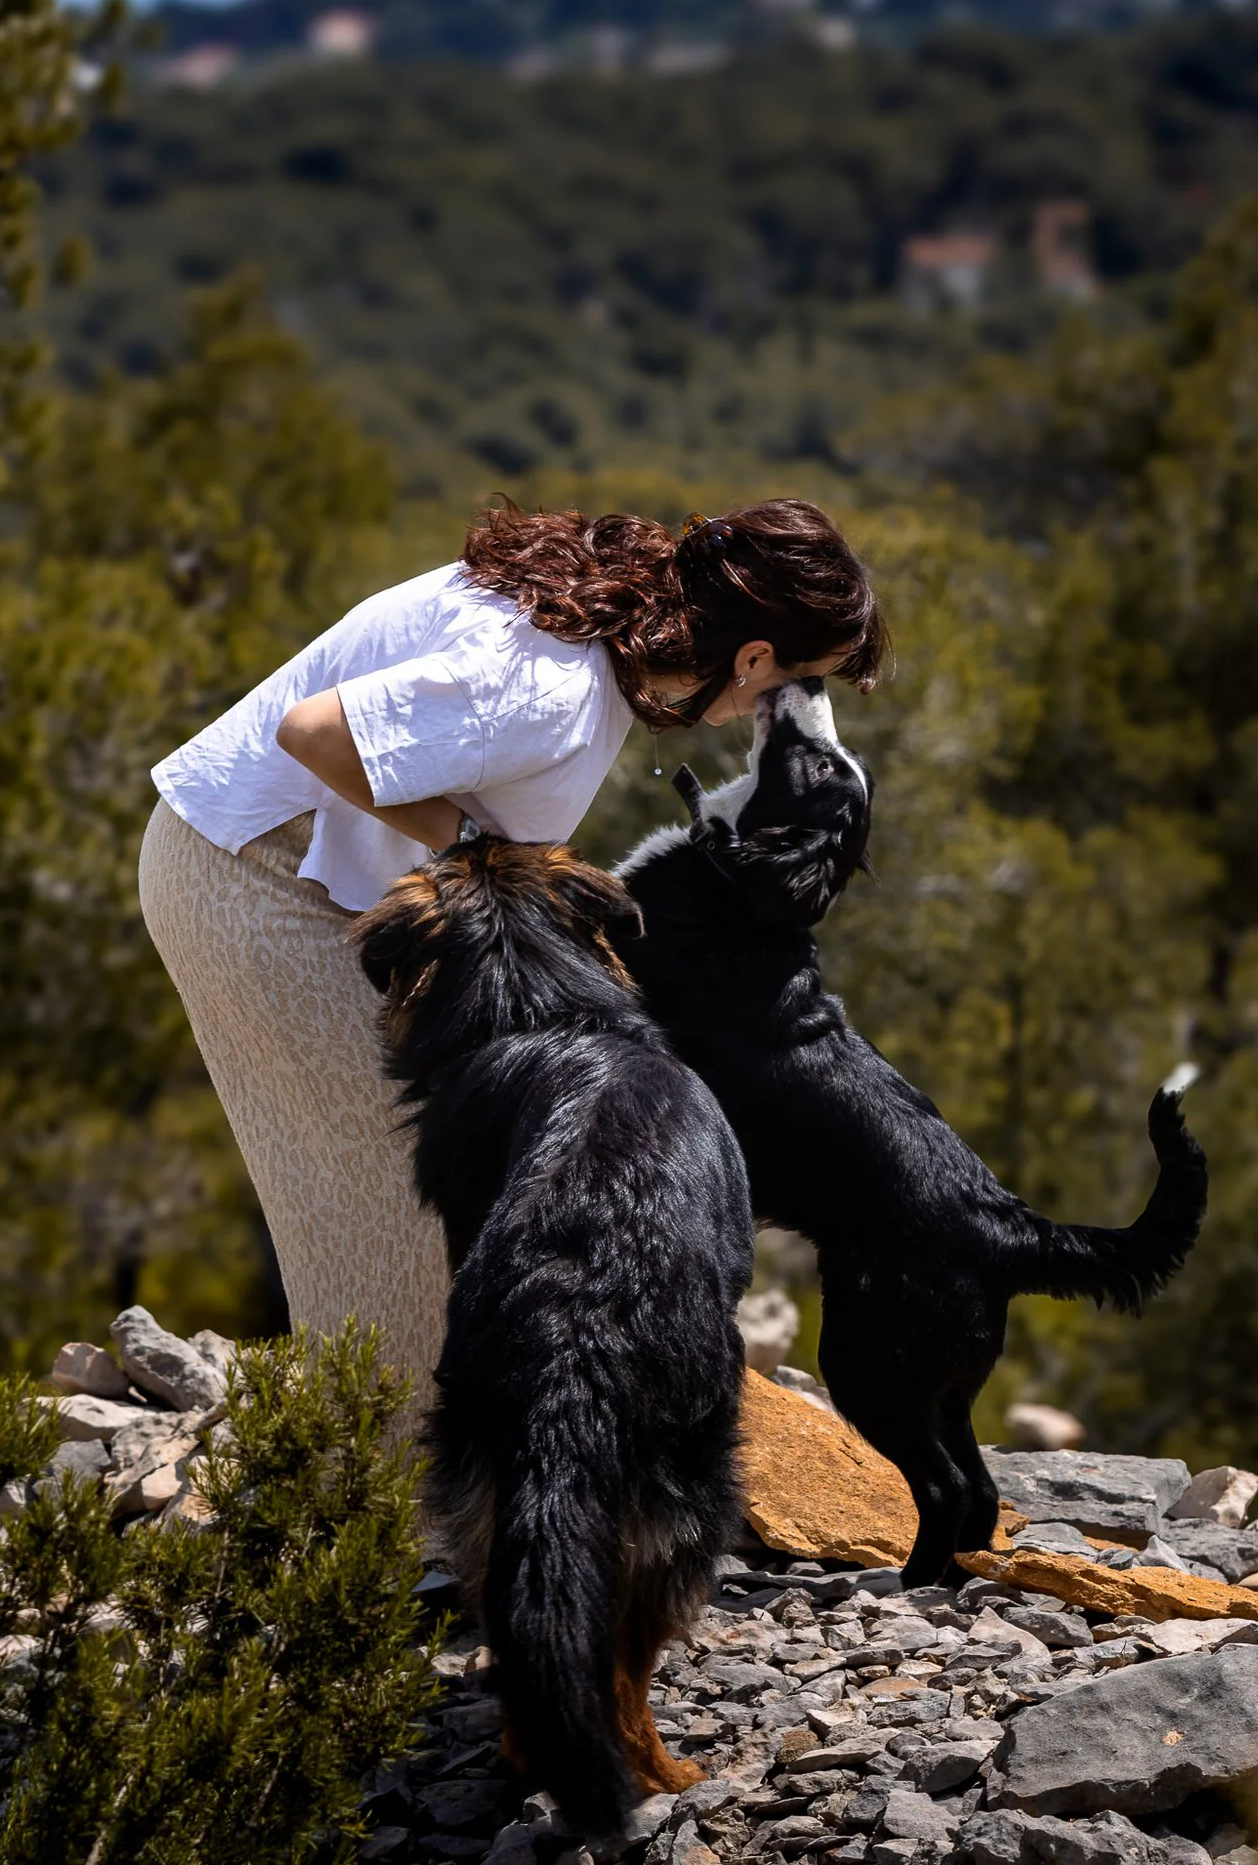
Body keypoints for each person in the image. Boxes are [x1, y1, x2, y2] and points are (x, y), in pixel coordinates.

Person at [139, 497, 886, 1404]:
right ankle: (382, 1519)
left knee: (422, 1200)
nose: (794, 706)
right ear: (755, 657)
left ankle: (395, 1494)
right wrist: (479, 851)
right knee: (395, 1218)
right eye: (803, 680)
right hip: (253, 876)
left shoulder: (602, 621)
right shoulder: (550, 692)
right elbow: (315, 734)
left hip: (292, 872)